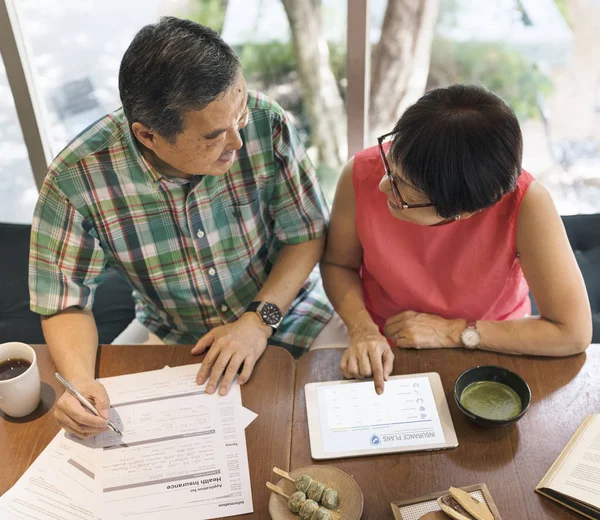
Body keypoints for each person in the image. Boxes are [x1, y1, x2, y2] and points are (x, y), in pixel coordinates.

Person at [29, 17, 333, 438]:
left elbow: (307, 232)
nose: (238, 143)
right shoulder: (75, 178)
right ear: (148, 135)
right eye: (213, 136)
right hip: (179, 337)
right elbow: (63, 299)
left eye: (239, 114)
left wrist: (257, 322)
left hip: (288, 310)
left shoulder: (266, 121)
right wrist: (79, 381)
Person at [321, 84, 592, 395]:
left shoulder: (527, 204)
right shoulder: (360, 173)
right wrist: (363, 330)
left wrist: (453, 332)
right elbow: (337, 264)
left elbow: (572, 333)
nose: (382, 185)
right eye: (390, 164)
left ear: (465, 212)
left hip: (493, 343)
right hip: (377, 337)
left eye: (403, 188)